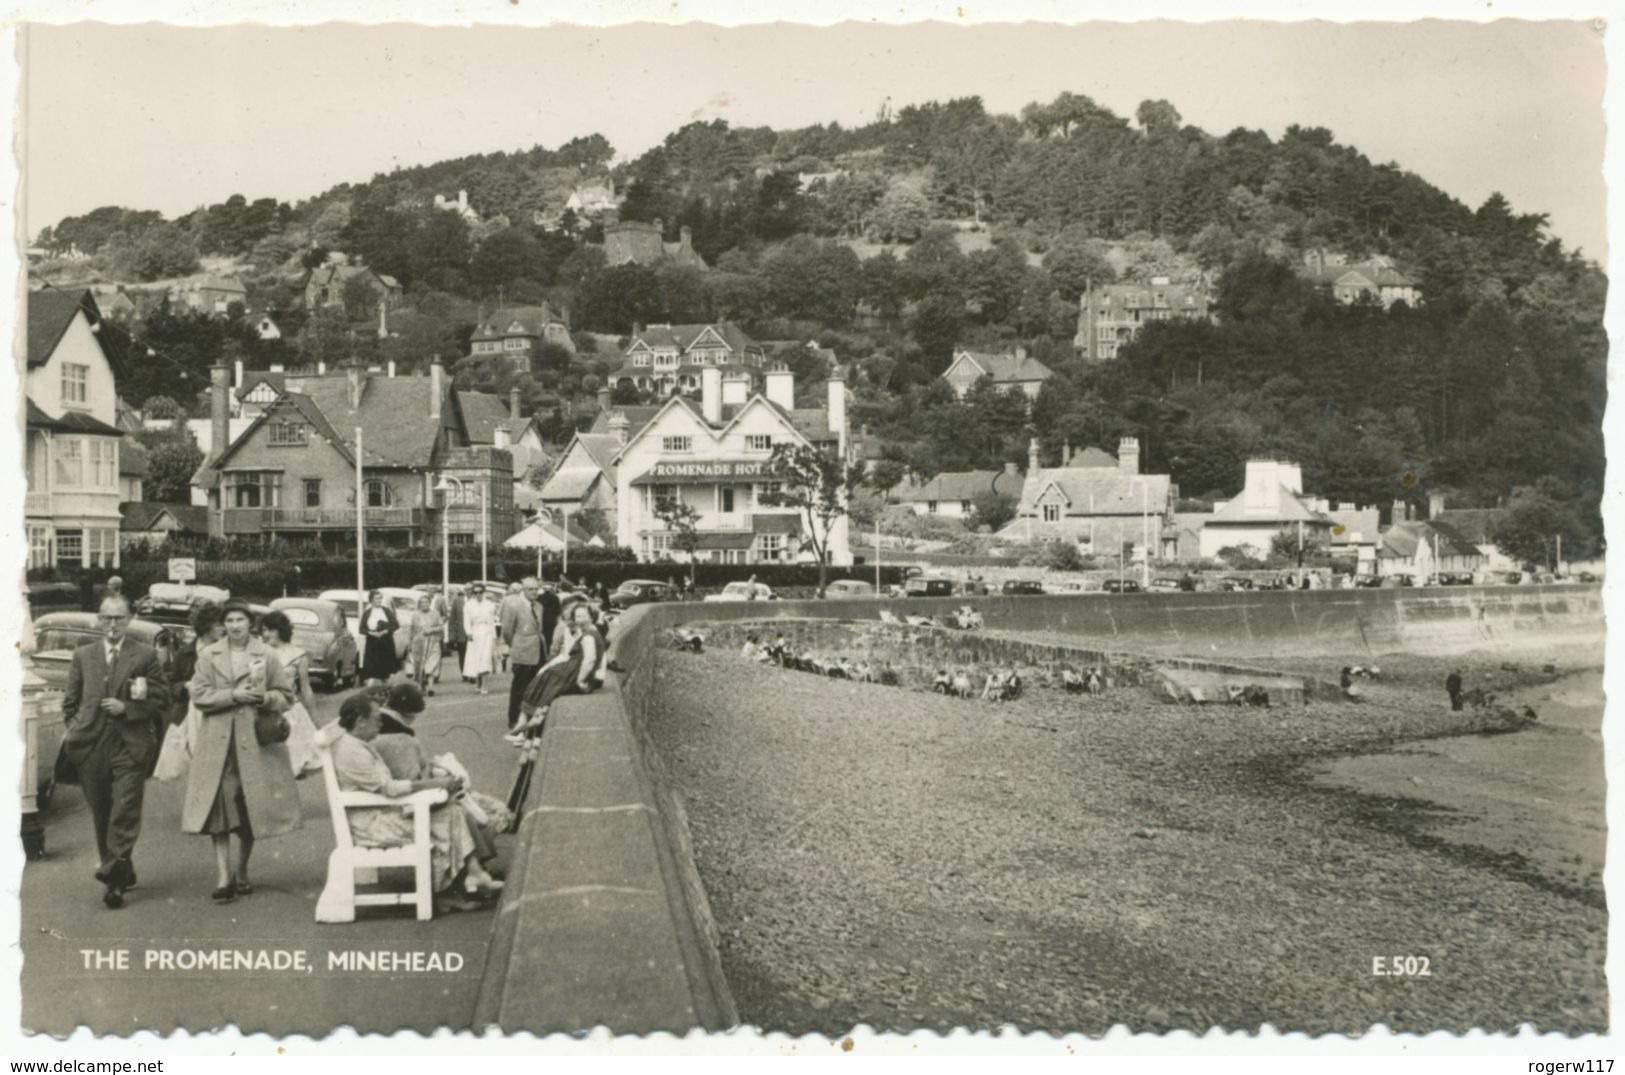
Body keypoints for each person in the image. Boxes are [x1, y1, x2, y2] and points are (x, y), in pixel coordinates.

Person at [327, 692, 503, 914]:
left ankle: (461, 883)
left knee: (452, 812)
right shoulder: (353, 752)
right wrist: (433, 784)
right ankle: (453, 888)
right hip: (372, 825)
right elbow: (389, 788)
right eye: (376, 719)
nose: (381, 724)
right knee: (449, 817)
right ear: (360, 721)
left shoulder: (356, 744)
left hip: (379, 814)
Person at [184, 600, 302, 903]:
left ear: (251, 624)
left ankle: (242, 869)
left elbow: (287, 696)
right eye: (230, 620)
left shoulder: (267, 654)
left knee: (250, 808)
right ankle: (223, 876)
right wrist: (232, 695)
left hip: (252, 743)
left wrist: (264, 699)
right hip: (218, 746)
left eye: (241, 620)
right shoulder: (209, 655)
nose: (235, 625)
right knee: (219, 808)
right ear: (223, 624)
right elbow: (198, 695)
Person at [61, 595, 171, 909]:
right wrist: (76, 729)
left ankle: (113, 881)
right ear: (98, 619)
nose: (112, 625)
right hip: (91, 746)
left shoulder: (145, 655)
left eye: (119, 618)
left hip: (131, 745)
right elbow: (70, 703)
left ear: (129, 619)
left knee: (124, 810)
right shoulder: (84, 655)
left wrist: (129, 708)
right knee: (103, 814)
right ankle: (122, 868)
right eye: (107, 618)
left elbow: (162, 700)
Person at [371, 681, 514, 854]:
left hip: (389, 798)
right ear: (410, 712)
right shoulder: (402, 740)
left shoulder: (379, 733)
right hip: (404, 805)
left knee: (472, 801)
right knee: (479, 809)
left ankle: (476, 866)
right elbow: (413, 778)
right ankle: (476, 865)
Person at [508, 603, 608, 744]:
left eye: (584, 616)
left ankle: (526, 723)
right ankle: (525, 722)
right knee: (544, 677)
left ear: (591, 617)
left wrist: (581, 680)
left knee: (546, 679)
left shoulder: (589, 636)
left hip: (575, 673)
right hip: (573, 669)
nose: (580, 619)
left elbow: (590, 659)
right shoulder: (591, 632)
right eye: (577, 616)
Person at [155, 601, 226, 783]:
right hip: (189, 715)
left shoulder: (227, 651)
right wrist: (185, 686)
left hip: (218, 712)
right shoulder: (185, 653)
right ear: (206, 625)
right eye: (219, 623)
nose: (223, 628)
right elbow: (169, 683)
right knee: (191, 766)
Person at [259, 610, 322, 778]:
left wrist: (315, 720)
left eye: (271, 630)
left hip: (291, 711)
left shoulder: (298, 655)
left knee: (291, 762)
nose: (267, 634)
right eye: (264, 630)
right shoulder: (259, 653)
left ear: (281, 630)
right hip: (265, 708)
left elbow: (306, 688)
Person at [500, 577, 548, 730]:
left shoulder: (539, 606)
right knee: (519, 687)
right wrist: (514, 645)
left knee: (535, 686)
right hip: (522, 651)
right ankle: (514, 718)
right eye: (530, 589)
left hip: (539, 650)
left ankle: (529, 716)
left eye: (536, 589)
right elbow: (507, 631)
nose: (534, 592)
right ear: (523, 590)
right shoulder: (514, 606)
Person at [359, 590, 400, 685]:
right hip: (372, 643)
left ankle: (385, 688)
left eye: (380, 598)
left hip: (386, 643)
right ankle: (370, 689)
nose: (379, 600)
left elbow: (396, 625)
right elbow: (361, 629)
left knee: (385, 671)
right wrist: (371, 633)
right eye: (377, 598)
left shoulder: (386, 611)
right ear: (371, 600)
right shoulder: (367, 612)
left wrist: (386, 631)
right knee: (371, 669)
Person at [462, 583, 498, 694]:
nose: (478, 595)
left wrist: (494, 637)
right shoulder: (468, 605)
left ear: (484, 593)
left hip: (486, 633)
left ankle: (484, 685)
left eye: (480, 592)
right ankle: (478, 684)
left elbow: (492, 623)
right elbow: (466, 621)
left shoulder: (490, 605)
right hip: (474, 633)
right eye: (475, 593)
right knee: (475, 659)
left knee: (485, 658)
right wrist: (468, 633)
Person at [408, 594, 445, 696]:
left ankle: (430, 687)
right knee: (419, 665)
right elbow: (411, 629)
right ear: (419, 604)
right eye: (422, 603)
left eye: (426, 602)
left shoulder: (436, 614)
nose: (424, 604)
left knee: (431, 664)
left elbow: (441, 627)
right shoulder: (415, 615)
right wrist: (410, 642)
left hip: (432, 641)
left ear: (430, 603)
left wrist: (431, 630)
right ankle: (420, 686)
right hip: (419, 642)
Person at [446, 585, 468, 683]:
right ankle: (464, 673)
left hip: (475, 634)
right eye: (466, 589)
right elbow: (452, 620)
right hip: (461, 634)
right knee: (463, 654)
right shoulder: (458, 601)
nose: (468, 591)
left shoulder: (478, 602)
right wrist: (451, 636)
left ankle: (473, 673)